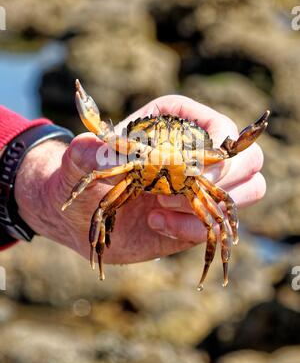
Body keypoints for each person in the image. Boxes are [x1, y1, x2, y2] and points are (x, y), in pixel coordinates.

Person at [0, 95, 266, 265]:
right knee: (102, 210)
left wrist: (41, 196)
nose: (165, 135)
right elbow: (99, 162)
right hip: (134, 179)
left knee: (216, 220)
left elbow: (225, 158)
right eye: (154, 128)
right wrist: (55, 196)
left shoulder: (204, 169)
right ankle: (98, 254)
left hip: (187, 183)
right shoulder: (123, 155)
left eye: (180, 132)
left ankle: (214, 268)